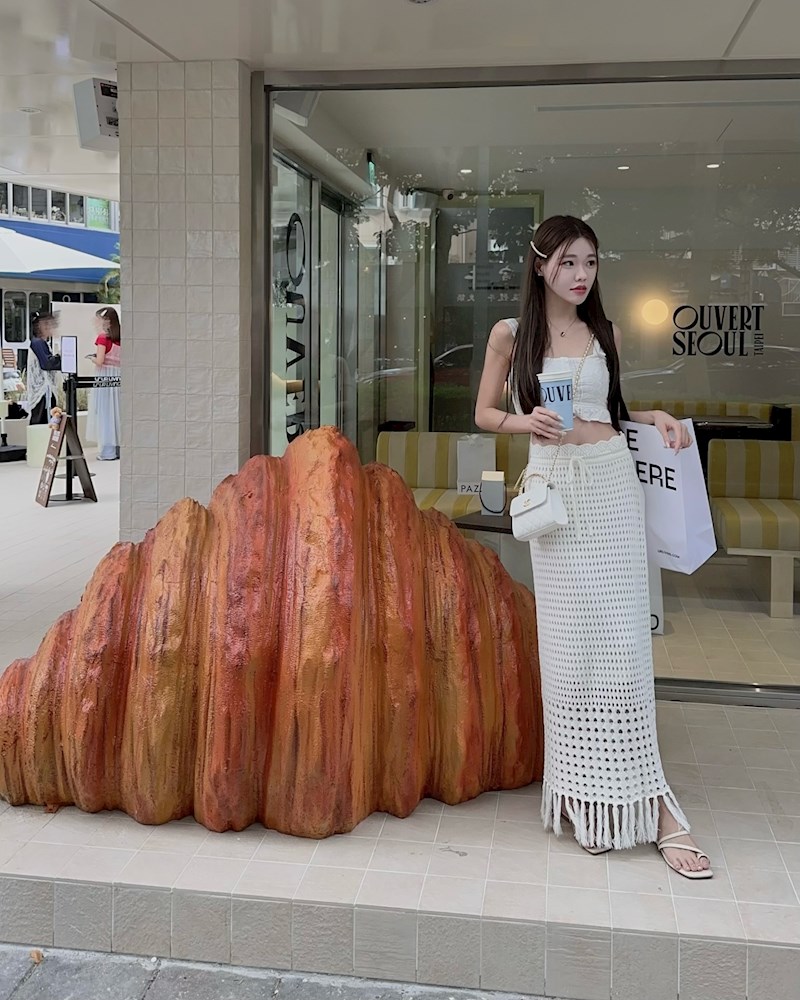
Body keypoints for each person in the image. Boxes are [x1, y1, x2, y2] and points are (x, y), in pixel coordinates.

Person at [475, 215, 712, 879]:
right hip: (557, 493)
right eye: (568, 262)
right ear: (540, 265)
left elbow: (612, 412)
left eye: (591, 262)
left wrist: (655, 416)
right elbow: (484, 413)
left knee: (626, 649)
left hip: (611, 486)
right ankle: (584, 793)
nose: (581, 275)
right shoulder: (511, 334)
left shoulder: (604, 331)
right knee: (569, 648)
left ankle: (655, 805)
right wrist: (525, 420)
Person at [87, 306, 121, 461]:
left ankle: (108, 451)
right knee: (118, 413)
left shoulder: (102, 338)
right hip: (118, 377)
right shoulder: (121, 338)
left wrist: (91, 358)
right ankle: (119, 448)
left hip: (105, 377)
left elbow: (100, 361)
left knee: (105, 413)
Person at [26, 311, 61, 425]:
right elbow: (47, 364)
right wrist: (62, 358)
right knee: (41, 423)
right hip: (42, 392)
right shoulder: (38, 342)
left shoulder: (41, 343)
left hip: (45, 391)